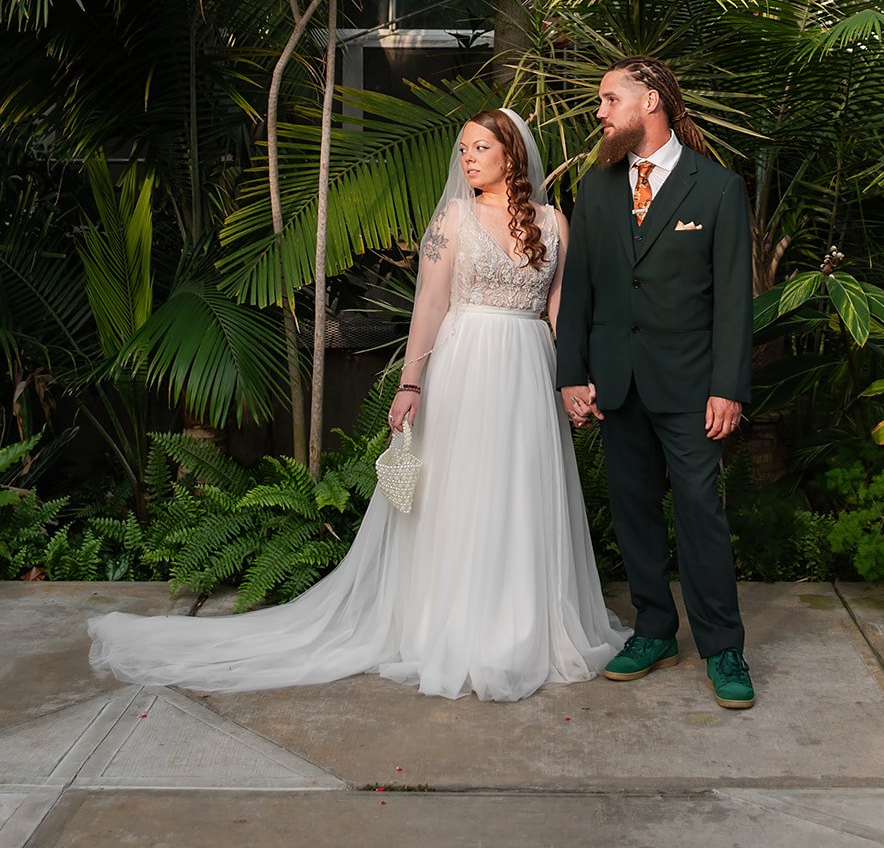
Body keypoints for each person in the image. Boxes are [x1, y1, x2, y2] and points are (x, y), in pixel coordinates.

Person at [89, 108, 626, 702]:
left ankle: (524, 628)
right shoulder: (453, 217)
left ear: (512, 155)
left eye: (479, 148)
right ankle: (448, 627)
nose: (466, 158)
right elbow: (428, 306)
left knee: (522, 493)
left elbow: (559, 310)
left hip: (528, 369)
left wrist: (573, 379)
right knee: (461, 495)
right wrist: (411, 384)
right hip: (467, 368)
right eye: (462, 149)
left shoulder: (553, 224)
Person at [556, 59, 756, 709]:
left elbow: (733, 300)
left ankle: (724, 647)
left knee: (701, 512)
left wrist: (729, 387)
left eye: (609, 99)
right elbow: (579, 291)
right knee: (633, 511)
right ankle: (654, 630)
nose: (600, 112)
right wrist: (571, 376)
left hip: (694, 389)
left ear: (650, 101)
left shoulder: (717, 189)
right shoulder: (596, 189)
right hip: (617, 383)